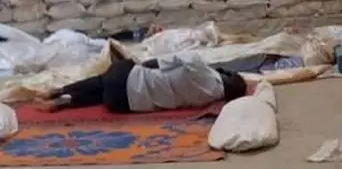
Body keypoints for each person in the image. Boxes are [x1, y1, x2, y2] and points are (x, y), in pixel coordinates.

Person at [33, 53, 248, 113]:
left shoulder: (200, 67)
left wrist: (137, 63)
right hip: (124, 106)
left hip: (124, 80)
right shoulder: (206, 100)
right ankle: (62, 103)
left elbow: (159, 61)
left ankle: (58, 92)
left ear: (226, 75)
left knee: (104, 79)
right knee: (105, 93)